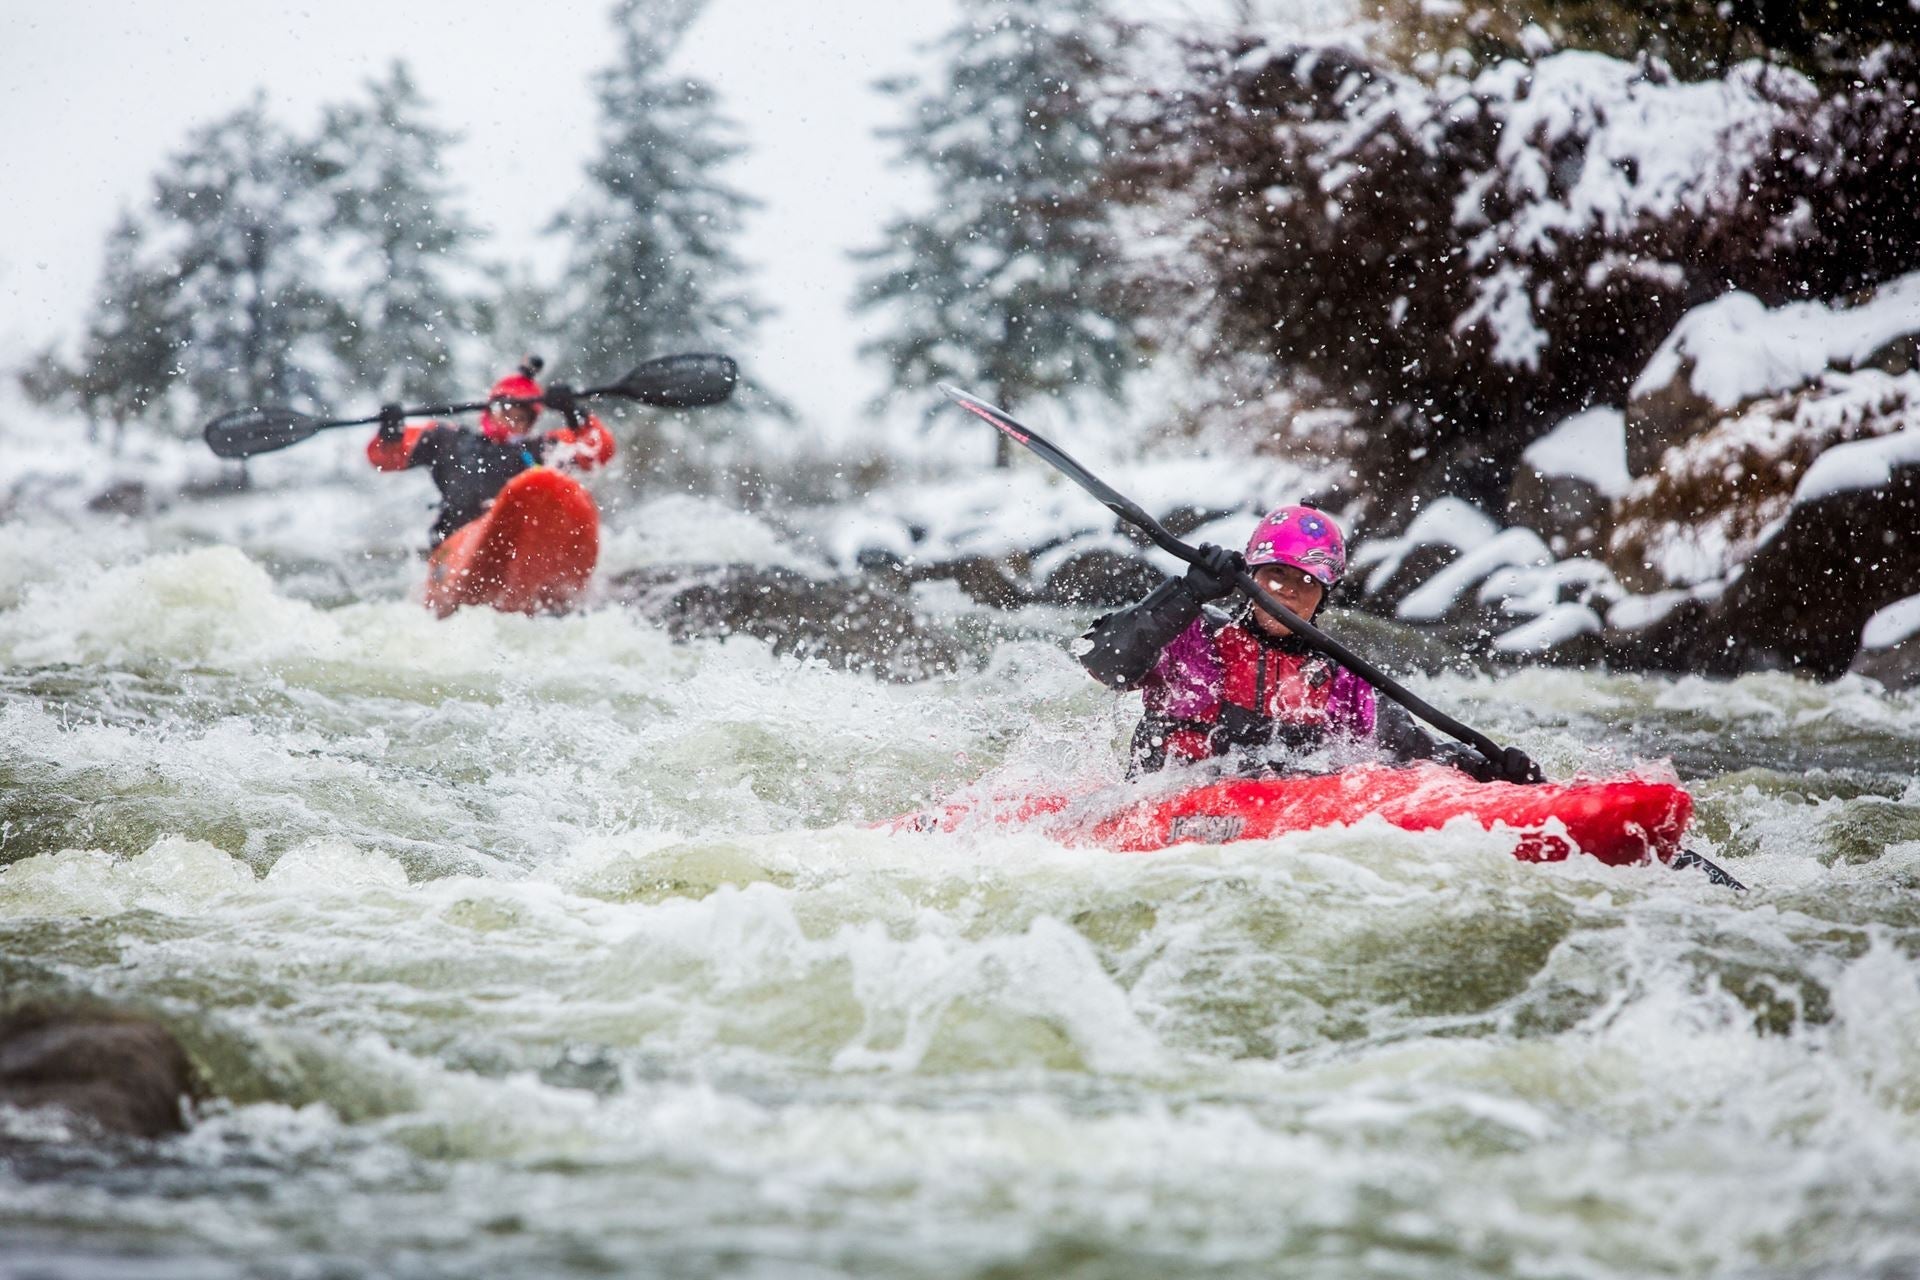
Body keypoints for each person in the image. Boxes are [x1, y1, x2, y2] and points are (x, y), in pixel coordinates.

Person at [1076, 503, 1543, 783]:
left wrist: (1489, 772)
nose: (1287, 592)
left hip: (1268, 836)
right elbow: (1103, 662)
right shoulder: (1193, 636)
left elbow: (1417, 751)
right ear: (1252, 577)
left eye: (1306, 582)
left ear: (1323, 596)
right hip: (1160, 813)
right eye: (1275, 574)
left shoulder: (1340, 684)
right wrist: (1185, 594)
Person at [367, 356, 616, 545]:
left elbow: (599, 451)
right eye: (504, 412)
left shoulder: (542, 449)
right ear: (489, 410)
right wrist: (391, 434)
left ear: (530, 424)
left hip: (516, 542)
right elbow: (383, 459)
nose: (510, 422)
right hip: (454, 541)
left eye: (520, 418)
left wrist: (573, 414)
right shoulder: (448, 440)